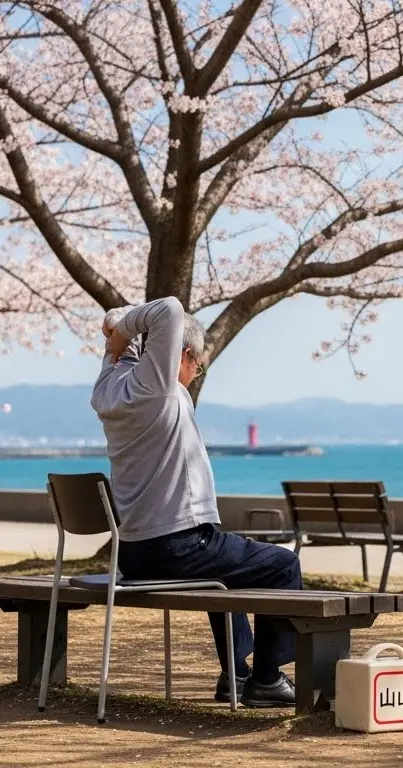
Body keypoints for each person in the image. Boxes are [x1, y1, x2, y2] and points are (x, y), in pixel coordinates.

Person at [91, 296, 300, 708]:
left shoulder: (109, 387)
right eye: (197, 365)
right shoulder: (157, 388)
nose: (195, 374)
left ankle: (236, 674)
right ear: (182, 354)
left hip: (132, 554)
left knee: (225, 567)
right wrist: (122, 329)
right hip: (176, 547)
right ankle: (267, 679)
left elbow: (120, 334)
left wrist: (118, 329)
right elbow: (169, 309)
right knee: (283, 565)